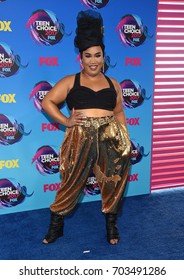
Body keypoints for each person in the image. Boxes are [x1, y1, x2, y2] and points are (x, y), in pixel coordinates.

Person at [42, 9, 131, 245]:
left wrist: (125, 139)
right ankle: (56, 226)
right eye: (88, 56)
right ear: (81, 58)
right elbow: (47, 101)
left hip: (111, 137)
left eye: (98, 55)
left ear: (104, 56)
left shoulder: (113, 83)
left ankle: (111, 227)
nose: (93, 60)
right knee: (71, 182)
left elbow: (119, 112)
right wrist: (66, 121)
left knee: (112, 181)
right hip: (80, 137)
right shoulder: (71, 81)